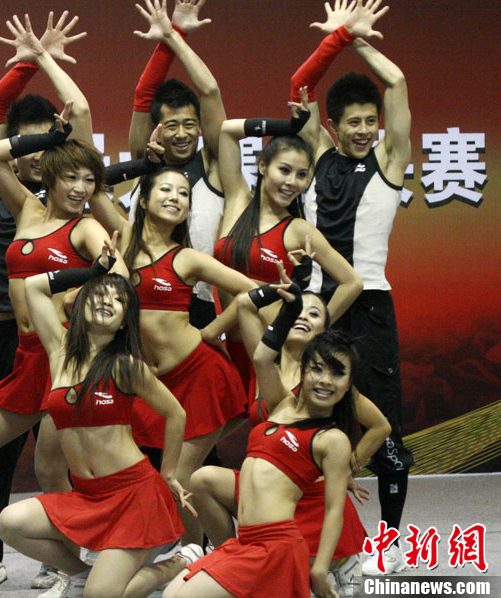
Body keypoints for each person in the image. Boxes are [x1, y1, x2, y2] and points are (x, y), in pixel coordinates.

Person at [0, 17, 124, 598]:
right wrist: (52, 135)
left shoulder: (85, 229)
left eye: (89, 181)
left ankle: (75, 570)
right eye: (71, 178)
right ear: (51, 172)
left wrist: (69, 289)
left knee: (55, 469)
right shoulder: (26, 209)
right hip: (24, 359)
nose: (81, 189)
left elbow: (118, 281)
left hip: (66, 358)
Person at [0, 240, 192, 598]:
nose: (106, 301)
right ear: (83, 302)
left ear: (124, 322)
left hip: (133, 497)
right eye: (99, 293)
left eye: (118, 300)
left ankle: (179, 563)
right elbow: (34, 286)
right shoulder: (59, 351)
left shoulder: (126, 366)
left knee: (101, 596)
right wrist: (94, 271)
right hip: (86, 497)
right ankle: (83, 574)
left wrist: (169, 474)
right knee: (9, 524)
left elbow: (175, 413)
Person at [292, 0, 414, 575]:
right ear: (333, 127)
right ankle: (324, 544)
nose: (365, 130)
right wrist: (335, 38)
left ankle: (387, 548)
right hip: (318, 308)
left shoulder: (390, 160)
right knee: (312, 425)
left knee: (384, 429)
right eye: (354, 123)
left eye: (371, 121)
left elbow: (398, 82)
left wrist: (357, 39)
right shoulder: (317, 156)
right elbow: (301, 85)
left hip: (370, 310)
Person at [88, 165, 256, 548]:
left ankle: (204, 554)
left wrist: (212, 330)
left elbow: (251, 291)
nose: (175, 198)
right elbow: (96, 186)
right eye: (165, 189)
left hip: (200, 377)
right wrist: (143, 164)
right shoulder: (124, 240)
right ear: (144, 199)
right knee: (164, 479)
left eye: (183, 194)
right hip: (152, 384)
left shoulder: (188, 259)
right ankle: (207, 552)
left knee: (180, 477)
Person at [192, 274, 391, 596]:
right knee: (203, 479)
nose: (303, 316)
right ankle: (233, 562)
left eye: (314, 313)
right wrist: (284, 295)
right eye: (298, 311)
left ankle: (336, 563)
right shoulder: (268, 369)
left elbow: (380, 426)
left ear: (324, 332)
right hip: (269, 489)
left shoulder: (326, 383)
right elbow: (243, 304)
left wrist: (346, 466)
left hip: (308, 495)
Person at [213, 91, 363, 396]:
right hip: (229, 346)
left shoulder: (297, 229)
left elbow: (352, 282)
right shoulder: (238, 200)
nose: (292, 182)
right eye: (284, 170)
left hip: (271, 350)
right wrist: (288, 127)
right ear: (262, 166)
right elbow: (227, 131)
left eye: (302, 175)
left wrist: (314, 327)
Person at [115, 0, 227, 329]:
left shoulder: (213, 164)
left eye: (189, 125)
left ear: (201, 127)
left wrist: (176, 36)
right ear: (157, 129)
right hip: (138, 297)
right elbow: (143, 93)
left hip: (196, 301)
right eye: (171, 126)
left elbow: (210, 92)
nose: (181, 134)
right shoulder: (145, 161)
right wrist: (169, 35)